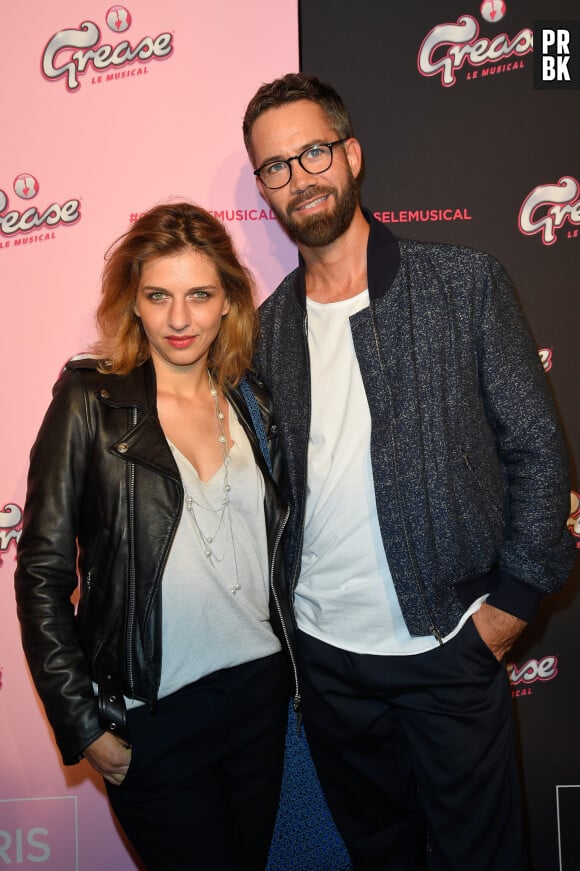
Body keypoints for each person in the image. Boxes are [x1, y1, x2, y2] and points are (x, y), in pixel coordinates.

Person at [242, 73, 576, 871]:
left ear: (351, 153)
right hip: (326, 665)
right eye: (276, 167)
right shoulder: (266, 329)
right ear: (263, 189)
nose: (299, 177)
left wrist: (509, 609)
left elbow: (536, 450)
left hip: (449, 647)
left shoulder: (462, 284)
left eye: (312, 151)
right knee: (380, 856)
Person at [15, 202, 297, 871]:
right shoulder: (89, 400)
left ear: (228, 300)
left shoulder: (252, 399)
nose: (179, 319)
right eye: (158, 295)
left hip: (258, 698)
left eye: (200, 295)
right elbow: (42, 572)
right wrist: (85, 726)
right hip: (152, 713)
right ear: (132, 303)